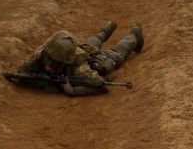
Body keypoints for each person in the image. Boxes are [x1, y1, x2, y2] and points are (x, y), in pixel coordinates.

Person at [10, 21, 144, 96]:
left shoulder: (80, 67)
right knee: (92, 42)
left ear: (64, 62)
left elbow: (101, 86)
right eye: (49, 59)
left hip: (84, 56)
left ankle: (134, 36)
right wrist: (43, 82)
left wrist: (73, 90)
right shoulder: (42, 53)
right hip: (79, 48)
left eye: (55, 63)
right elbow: (20, 74)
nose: (49, 65)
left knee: (109, 61)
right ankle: (108, 28)